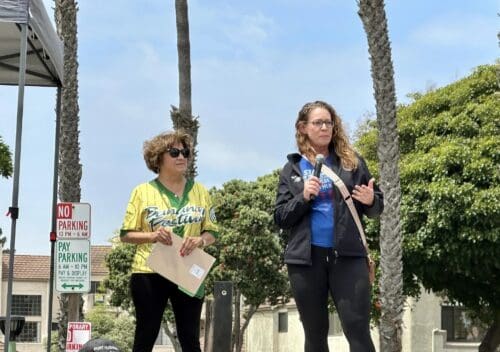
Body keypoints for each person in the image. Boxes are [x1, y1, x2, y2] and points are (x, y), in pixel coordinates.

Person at [274, 101, 384, 352]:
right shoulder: (291, 168)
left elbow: (376, 208)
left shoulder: (351, 162)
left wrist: (371, 201)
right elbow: (280, 217)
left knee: (357, 329)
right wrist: (303, 197)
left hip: (347, 257)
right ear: (303, 128)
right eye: (317, 122)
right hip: (305, 260)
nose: (324, 127)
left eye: (328, 122)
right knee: (315, 334)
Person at [120, 130, 219, 352]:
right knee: (147, 333)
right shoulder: (142, 192)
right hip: (148, 270)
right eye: (174, 152)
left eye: (185, 152)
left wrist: (200, 241)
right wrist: (153, 235)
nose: (181, 157)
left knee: (190, 337)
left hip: (187, 268)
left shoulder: (200, 191)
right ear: (158, 158)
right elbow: (126, 234)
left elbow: (213, 232)